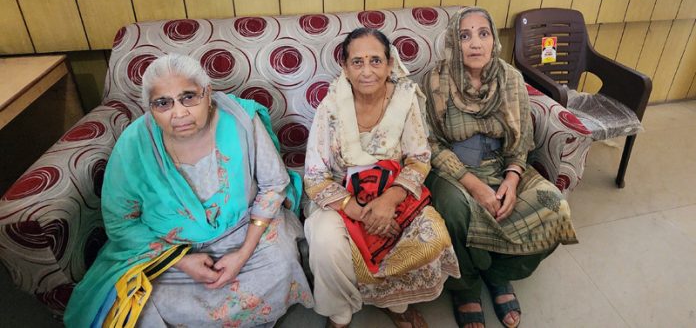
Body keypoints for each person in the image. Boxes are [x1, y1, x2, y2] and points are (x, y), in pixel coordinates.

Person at [64, 54, 313, 327]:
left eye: (189, 97)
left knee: (279, 263)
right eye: (163, 103)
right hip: (168, 247)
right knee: (145, 301)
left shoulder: (241, 119)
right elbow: (120, 220)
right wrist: (181, 261)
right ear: (149, 107)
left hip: (245, 228)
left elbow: (273, 185)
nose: (179, 112)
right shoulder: (134, 144)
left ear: (208, 94)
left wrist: (242, 254)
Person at [421, 8, 578, 328]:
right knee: (454, 210)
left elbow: (521, 138)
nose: (475, 43)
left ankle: (497, 274)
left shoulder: (511, 78)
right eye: (464, 36)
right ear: (453, 41)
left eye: (483, 34)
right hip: (453, 167)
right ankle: (465, 287)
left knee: (555, 206)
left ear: (494, 40)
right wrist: (475, 186)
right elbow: (431, 144)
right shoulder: (436, 79)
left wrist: (513, 176)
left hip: (502, 164)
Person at [304, 28, 460, 328]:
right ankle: (340, 314)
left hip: (395, 193)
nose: (367, 71)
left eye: (375, 61)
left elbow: (419, 158)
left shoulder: (405, 100)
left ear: (390, 65)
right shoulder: (330, 107)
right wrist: (360, 212)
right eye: (357, 62)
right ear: (345, 68)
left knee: (432, 236)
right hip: (340, 198)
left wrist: (388, 201)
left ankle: (396, 304)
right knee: (323, 238)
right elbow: (315, 176)